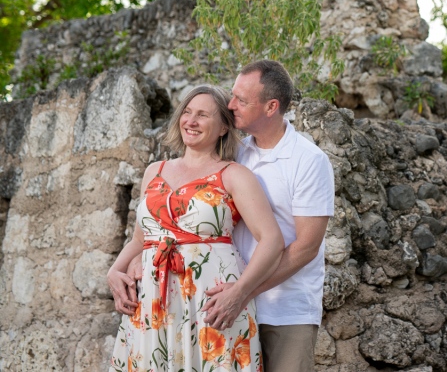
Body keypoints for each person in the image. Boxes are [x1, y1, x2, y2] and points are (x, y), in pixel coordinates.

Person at [107, 85, 284, 372]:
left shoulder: (234, 175)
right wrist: (114, 269)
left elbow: (272, 240)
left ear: (224, 127)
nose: (191, 121)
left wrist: (239, 292)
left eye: (203, 115)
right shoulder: (155, 171)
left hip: (211, 302)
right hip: (153, 301)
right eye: (187, 112)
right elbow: (141, 238)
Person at [202, 60, 335, 372]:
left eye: (242, 100)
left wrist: (244, 290)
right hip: (229, 303)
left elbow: (306, 247)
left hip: (286, 310)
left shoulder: (309, 161)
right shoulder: (235, 153)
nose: (230, 105)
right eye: (232, 95)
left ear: (271, 106)